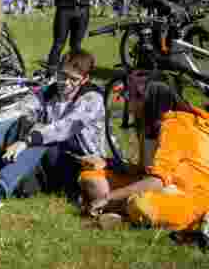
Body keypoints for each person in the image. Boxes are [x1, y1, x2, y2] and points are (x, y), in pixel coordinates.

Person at [0, 51, 105, 209]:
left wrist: (26, 141)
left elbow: (63, 129)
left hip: (79, 164)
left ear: (85, 79)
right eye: (62, 75)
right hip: (49, 156)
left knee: (43, 136)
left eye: (73, 79)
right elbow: (21, 108)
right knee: (16, 122)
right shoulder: (50, 90)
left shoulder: (92, 98)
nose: (65, 83)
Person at [79, 78, 209, 234]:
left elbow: (158, 180)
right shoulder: (148, 125)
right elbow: (143, 171)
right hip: (157, 185)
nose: (127, 101)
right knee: (90, 177)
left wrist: (109, 197)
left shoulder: (175, 126)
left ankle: (123, 219)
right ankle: (126, 214)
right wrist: (108, 163)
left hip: (189, 195)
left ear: (148, 101)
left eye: (132, 96)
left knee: (141, 205)